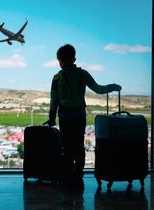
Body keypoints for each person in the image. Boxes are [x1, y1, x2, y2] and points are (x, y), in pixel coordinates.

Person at [45, 44, 121, 189]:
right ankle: (78, 178)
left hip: (65, 116)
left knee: (67, 148)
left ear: (60, 60)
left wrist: (51, 117)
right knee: (78, 147)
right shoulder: (82, 74)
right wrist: (113, 86)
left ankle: (67, 179)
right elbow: (98, 89)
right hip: (79, 115)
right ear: (74, 58)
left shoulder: (56, 78)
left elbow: (54, 101)